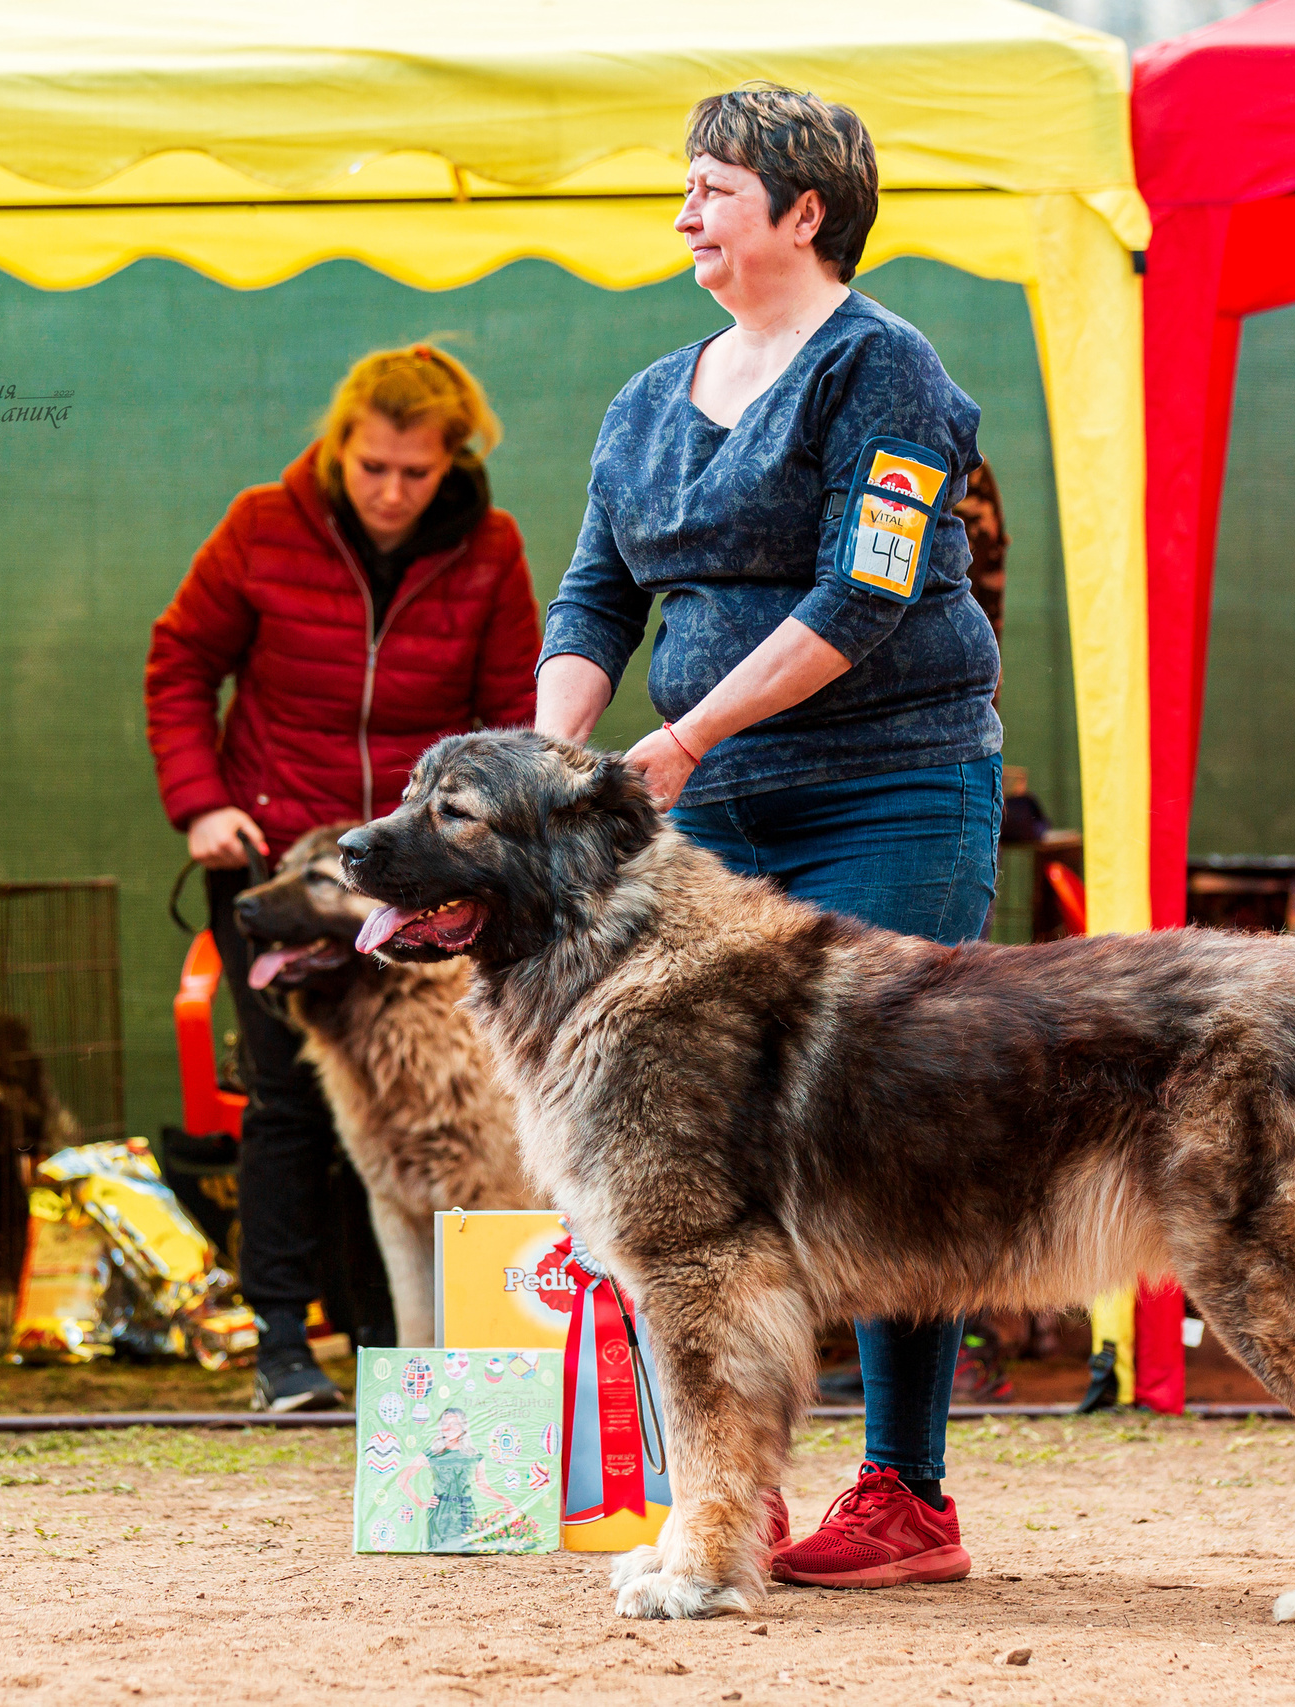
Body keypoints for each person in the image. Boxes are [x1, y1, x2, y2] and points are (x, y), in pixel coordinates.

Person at [535, 85, 1002, 1590]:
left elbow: (864, 599)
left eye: (714, 186)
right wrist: (557, 762)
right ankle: (727, 1490)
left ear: (806, 213)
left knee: (892, 1117)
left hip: (895, 787)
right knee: (689, 1149)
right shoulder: (647, 400)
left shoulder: (891, 372)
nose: (685, 213)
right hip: (711, 808)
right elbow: (597, 596)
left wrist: (678, 741)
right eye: (686, 186)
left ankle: (908, 1492)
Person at [146, 343, 542, 1412]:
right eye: (371, 467)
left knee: (445, 1115)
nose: (390, 492)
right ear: (339, 446)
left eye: (415, 474)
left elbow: (514, 713)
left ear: (451, 461)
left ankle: (417, 1359)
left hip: (422, 879)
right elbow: (181, 660)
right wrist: (202, 804)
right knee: (283, 1100)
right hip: (281, 856)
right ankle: (283, 1344)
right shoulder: (260, 526)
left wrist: (483, 858)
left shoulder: (489, 550)